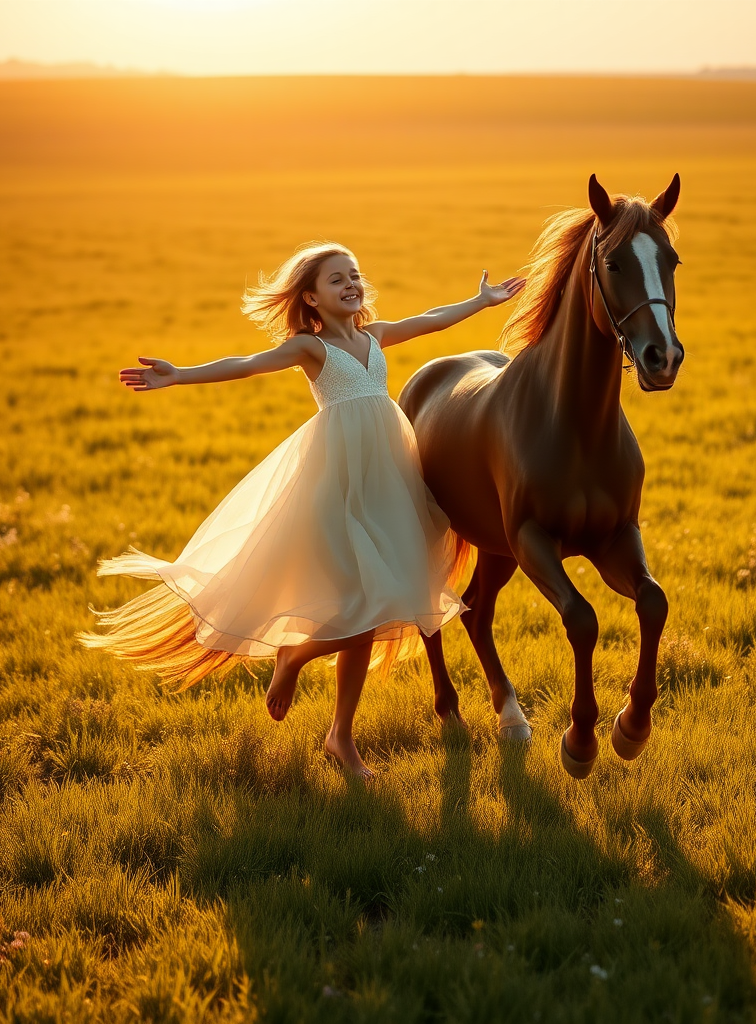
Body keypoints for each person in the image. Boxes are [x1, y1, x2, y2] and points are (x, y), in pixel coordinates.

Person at [79, 241, 525, 778]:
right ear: (311, 299)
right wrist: (180, 374)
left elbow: (430, 320)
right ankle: (296, 656)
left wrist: (481, 302)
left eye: (355, 276)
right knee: (369, 608)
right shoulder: (311, 350)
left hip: (390, 479)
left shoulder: (374, 336)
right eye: (336, 280)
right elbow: (246, 365)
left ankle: (340, 735)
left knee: (382, 605)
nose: (351, 285)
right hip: (339, 482)